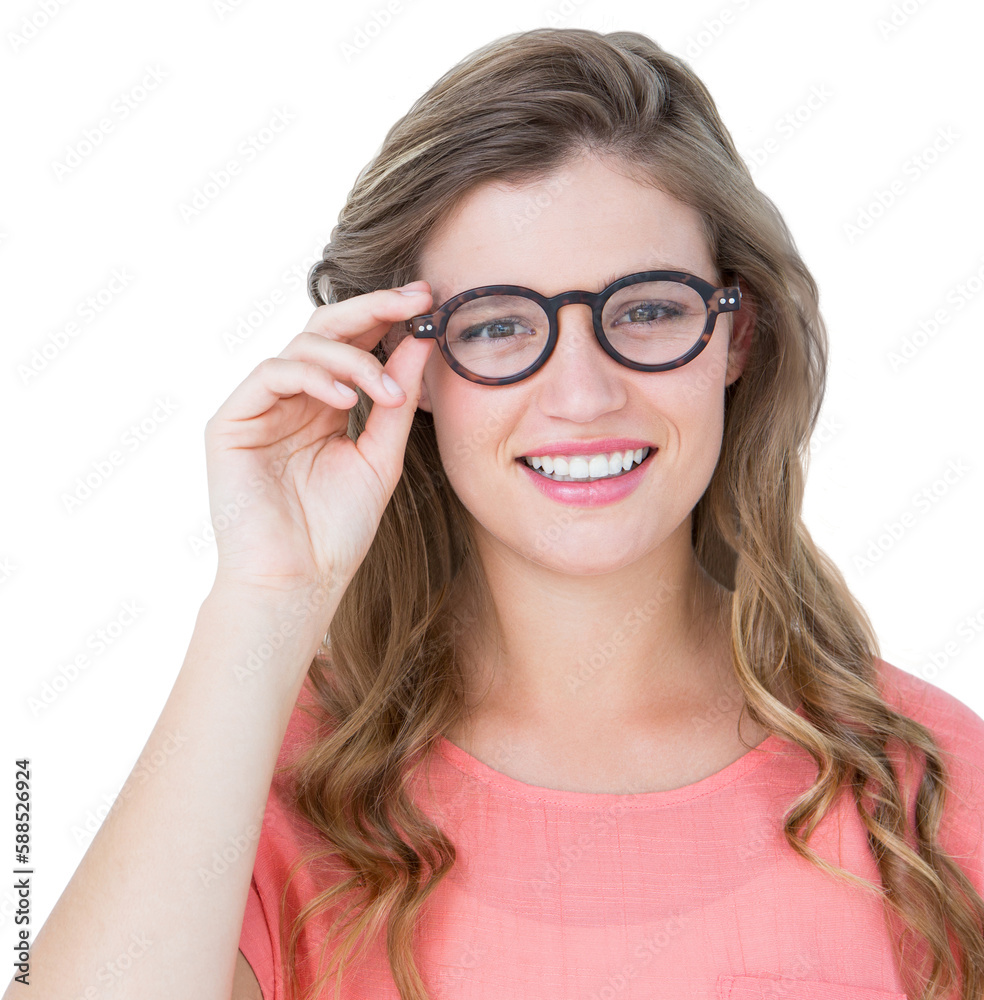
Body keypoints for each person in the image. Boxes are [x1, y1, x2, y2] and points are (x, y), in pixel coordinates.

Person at [9, 26, 984, 1000]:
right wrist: (267, 595)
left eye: (646, 308)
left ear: (735, 334)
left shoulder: (932, 787)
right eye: (500, 325)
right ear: (407, 363)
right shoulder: (262, 793)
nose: (583, 394)